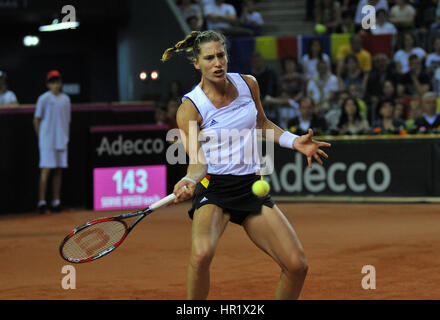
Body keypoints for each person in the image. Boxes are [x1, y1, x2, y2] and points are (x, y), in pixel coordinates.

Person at [161, 30, 331, 300]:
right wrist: (190, 181)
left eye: (221, 55)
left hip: (251, 187)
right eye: (209, 58)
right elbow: (197, 163)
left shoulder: (248, 84)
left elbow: (262, 124)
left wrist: (294, 141)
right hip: (214, 188)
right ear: (197, 63)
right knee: (202, 254)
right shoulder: (190, 108)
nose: (217, 63)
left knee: (297, 265)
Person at [33, 70, 71, 214]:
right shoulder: (43, 98)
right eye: (52, 82)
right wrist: (40, 138)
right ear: (48, 84)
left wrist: (65, 136)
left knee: (59, 170)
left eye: (57, 81)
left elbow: (67, 120)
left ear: (60, 83)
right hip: (47, 140)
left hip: (62, 139)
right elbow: (36, 119)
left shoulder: (66, 99)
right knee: (46, 170)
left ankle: (56, 201)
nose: (55, 84)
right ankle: (42, 202)